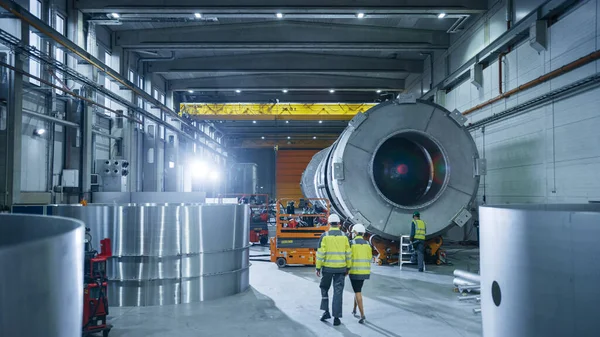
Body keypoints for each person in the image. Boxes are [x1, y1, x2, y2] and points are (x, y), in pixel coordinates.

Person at [316, 214, 351, 326]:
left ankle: (326, 312)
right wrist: (348, 267)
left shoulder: (324, 236)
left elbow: (320, 253)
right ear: (339, 224)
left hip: (327, 269)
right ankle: (336, 318)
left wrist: (318, 267)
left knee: (324, 287)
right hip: (341, 269)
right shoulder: (345, 236)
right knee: (338, 292)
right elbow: (348, 254)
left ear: (329, 224)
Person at [348, 224, 372, 324]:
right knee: (358, 289)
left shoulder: (352, 243)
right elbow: (370, 257)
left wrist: (346, 269)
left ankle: (362, 315)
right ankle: (354, 309)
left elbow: (349, 258)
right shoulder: (367, 244)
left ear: (356, 233)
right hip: (364, 272)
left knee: (357, 291)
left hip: (355, 271)